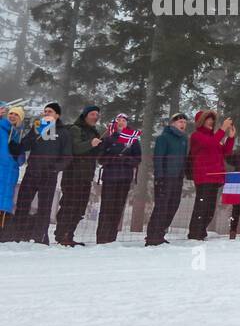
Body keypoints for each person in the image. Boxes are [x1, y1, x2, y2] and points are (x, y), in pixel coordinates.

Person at [11, 103, 71, 244]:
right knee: (22, 204)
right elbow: (25, 145)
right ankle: (18, 235)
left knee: (44, 207)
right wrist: (20, 144)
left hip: (49, 175)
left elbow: (67, 156)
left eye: (49, 111)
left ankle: (40, 237)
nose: (46, 113)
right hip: (32, 172)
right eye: (45, 111)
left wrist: (55, 168)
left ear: (57, 115)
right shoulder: (37, 126)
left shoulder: (64, 132)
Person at [54, 105, 105, 245]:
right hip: (73, 174)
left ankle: (69, 235)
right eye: (92, 114)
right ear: (85, 115)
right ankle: (62, 234)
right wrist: (91, 143)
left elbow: (94, 154)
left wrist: (100, 147)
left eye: (97, 114)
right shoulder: (75, 129)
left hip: (87, 175)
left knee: (80, 207)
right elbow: (75, 148)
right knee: (69, 205)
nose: (95, 117)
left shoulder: (94, 132)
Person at [187, 110, 235, 240]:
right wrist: (222, 129)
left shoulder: (214, 137)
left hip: (215, 177)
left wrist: (230, 138)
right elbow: (210, 144)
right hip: (203, 176)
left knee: (209, 209)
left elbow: (225, 152)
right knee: (201, 206)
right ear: (201, 121)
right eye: (207, 119)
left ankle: (201, 231)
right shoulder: (197, 136)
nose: (211, 122)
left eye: (212, 120)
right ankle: (195, 233)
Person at [94, 113, 142, 243]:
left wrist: (126, 159)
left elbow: (138, 159)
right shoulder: (109, 139)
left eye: (124, 120)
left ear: (127, 124)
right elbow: (101, 158)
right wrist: (113, 159)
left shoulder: (133, 140)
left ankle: (111, 238)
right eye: (118, 120)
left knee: (118, 208)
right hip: (110, 177)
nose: (121, 122)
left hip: (125, 178)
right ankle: (102, 238)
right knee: (106, 208)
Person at [145, 113, 189, 245]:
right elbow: (158, 158)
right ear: (172, 124)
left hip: (177, 178)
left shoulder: (184, 139)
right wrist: (159, 177)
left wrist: (182, 174)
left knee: (173, 206)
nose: (183, 124)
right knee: (161, 207)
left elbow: (183, 158)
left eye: (184, 122)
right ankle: (152, 236)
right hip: (164, 178)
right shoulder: (163, 138)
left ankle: (161, 233)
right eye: (180, 121)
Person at [0, 104, 25, 236]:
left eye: (16, 114)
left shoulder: (18, 134)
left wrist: (18, 153)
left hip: (11, 172)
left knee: (5, 201)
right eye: (11, 113)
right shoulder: (1, 127)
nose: (13, 116)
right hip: (1, 168)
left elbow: (21, 161)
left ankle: (2, 232)